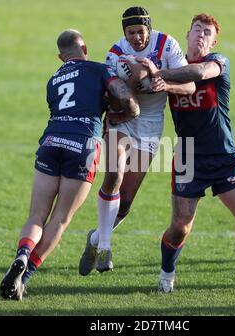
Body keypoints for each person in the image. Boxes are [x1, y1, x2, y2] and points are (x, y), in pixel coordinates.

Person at [0, 29, 139, 301]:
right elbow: (125, 98)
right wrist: (125, 111)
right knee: (61, 219)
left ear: (61, 56)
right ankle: (24, 278)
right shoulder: (99, 69)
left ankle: (22, 255)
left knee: (36, 216)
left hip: (51, 142)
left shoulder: (53, 80)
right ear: (84, 48)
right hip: (83, 145)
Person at [139, 13, 235, 292]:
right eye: (197, 30)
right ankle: (167, 273)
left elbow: (199, 75)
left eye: (207, 32)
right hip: (188, 155)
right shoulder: (172, 64)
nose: (201, 34)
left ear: (213, 42)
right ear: (186, 35)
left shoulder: (218, 62)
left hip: (224, 155)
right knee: (179, 227)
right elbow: (144, 88)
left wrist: (158, 74)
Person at [78, 6, 195, 275]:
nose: (137, 38)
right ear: (124, 33)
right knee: (114, 174)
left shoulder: (166, 45)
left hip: (152, 125)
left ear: (149, 29)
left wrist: (164, 83)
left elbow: (189, 86)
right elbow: (110, 91)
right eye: (131, 32)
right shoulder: (116, 53)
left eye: (141, 32)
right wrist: (128, 92)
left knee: (127, 201)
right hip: (123, 117)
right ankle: (105, 248)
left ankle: (95, 239)